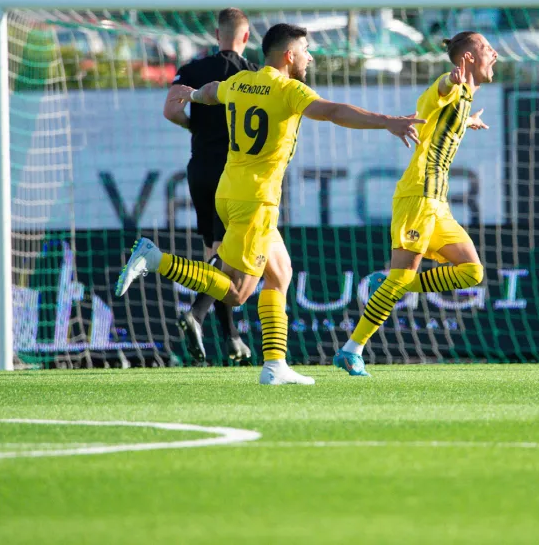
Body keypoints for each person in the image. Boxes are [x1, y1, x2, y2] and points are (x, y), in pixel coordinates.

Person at [116, 23, 424, 385]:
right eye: (306, 50)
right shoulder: (288, 89)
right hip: (256, 201)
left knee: (281, 274)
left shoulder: (240, 82)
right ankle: (155, 258)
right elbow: (334, 111)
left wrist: (194, 95)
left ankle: (275, 364)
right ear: (288, 55)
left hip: (229, 192)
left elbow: (214, 92)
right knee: (236, 292)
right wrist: (387, 121)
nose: (309, 57)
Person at [333, 31, 495, 377]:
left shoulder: (465, 97)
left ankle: (393, 284)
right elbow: (436, 94)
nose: (494, 54)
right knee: (403, 274)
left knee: (472, 272)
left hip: (439, 204)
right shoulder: (451, 86)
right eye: (486, 48)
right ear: (467, 58)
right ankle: (351, 350)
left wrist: (466, 121)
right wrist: (448, 80)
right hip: (419, 195)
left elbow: (439, 123)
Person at [162, 8, 256, 366]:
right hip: (232, 172)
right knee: (227, 256)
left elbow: (170, 110)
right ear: (246, 37)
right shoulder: (252, 75)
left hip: (199, 166)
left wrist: (194, 128)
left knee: (213, 253)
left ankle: (230, 338)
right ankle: (198, 315)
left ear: (217, 34)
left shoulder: (193, 68)